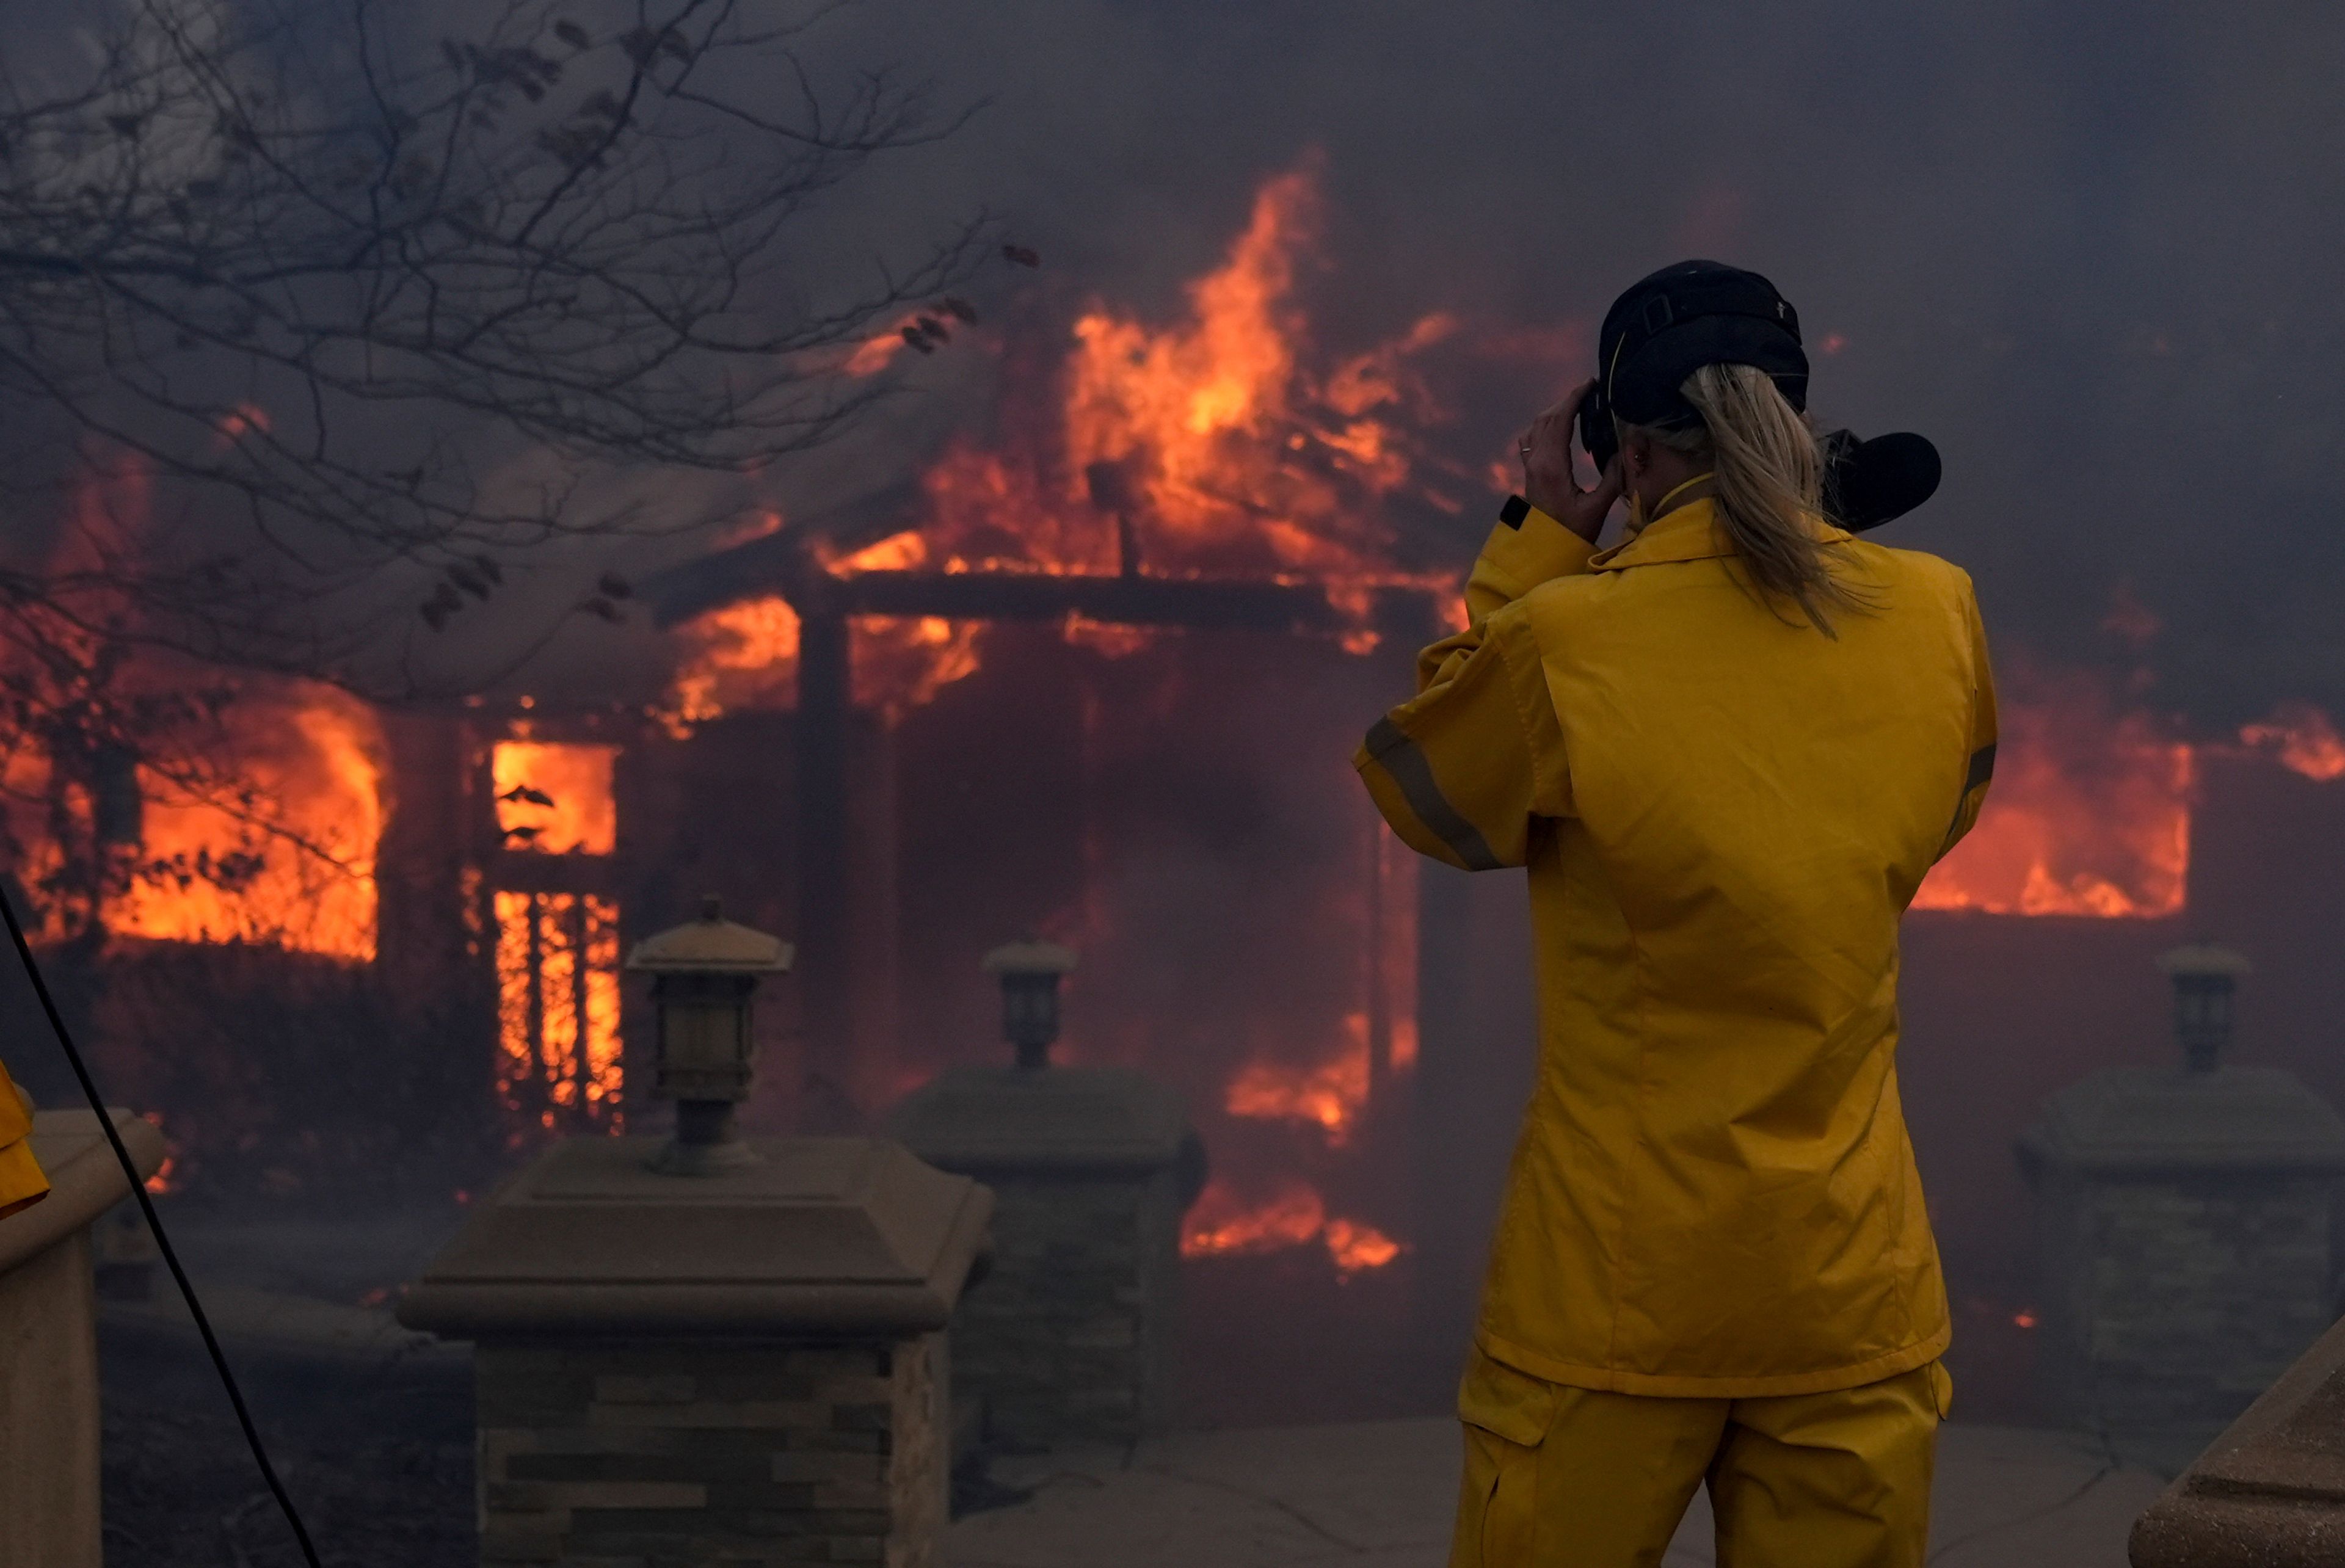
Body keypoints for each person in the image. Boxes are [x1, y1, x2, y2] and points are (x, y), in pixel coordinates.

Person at [1355, 261, 1995, 1567]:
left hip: (1614, 1301)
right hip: (1846, 1293)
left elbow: (1428, 798)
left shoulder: (1569, 643)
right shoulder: (1936, 613)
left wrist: (1536, 553)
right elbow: (1938, 811)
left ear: (1624, 452)